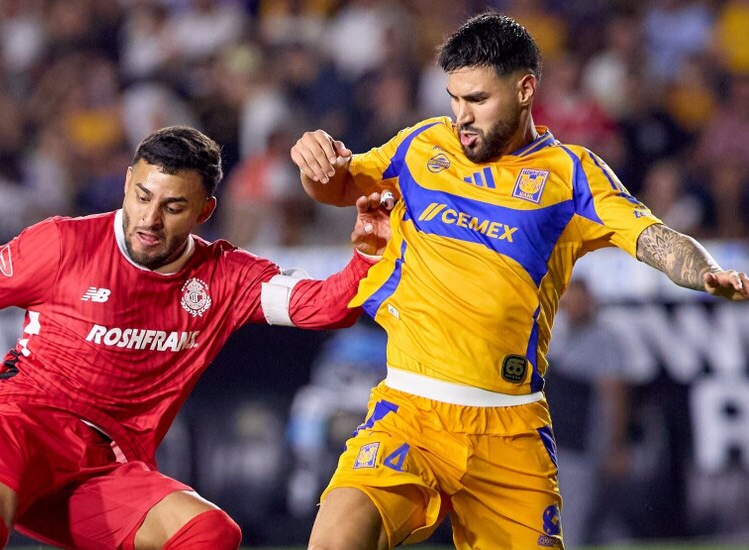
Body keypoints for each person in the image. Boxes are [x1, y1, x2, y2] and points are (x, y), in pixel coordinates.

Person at [0, 126, 392, 550]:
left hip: (105, 467)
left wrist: (366, 252)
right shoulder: (59, 245)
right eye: (141, 196)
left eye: (173, 207)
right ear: (126, 182)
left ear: (205, 211)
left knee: (213, 536)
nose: (150, 219)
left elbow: (327, 306)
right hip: (21, 428)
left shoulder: (226, 278)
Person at [290, 13, 749, 549]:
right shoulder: (419, 147)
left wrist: (705, 272)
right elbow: (338, 184)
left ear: (526, 88)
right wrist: (312, 163)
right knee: (332, 542)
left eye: (478, 100)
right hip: (408, 414)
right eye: (454, 99)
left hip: (510, 432)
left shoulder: (572, 175)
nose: (462, 117)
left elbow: (653, 238)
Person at [546, 279, 631, 545]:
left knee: (571, 523)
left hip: (578, 445)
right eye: (570, 298)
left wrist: (615, 445)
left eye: (581, 299)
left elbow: (615, 395)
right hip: (544, 444)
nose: (575, 305)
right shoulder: (553, 334)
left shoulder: (604, 339)